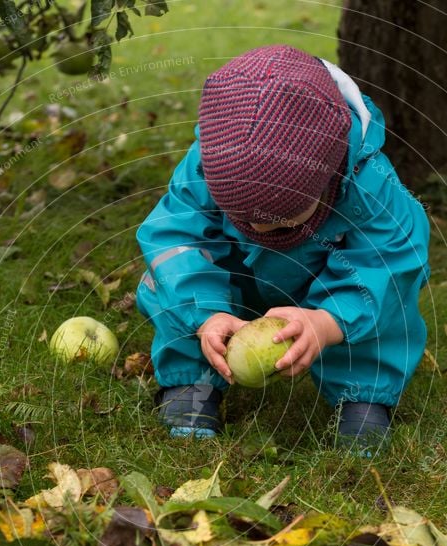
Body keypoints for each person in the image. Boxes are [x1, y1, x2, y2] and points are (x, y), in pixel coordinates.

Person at [135, 45, 430, 448]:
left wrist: (326, 323)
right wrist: (206, 315)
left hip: (324, 278)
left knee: (382, 300)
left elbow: (392, 263)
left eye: (279, 219)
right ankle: (192, 381)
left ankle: (362, 394)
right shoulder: (211, 161)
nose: (259, 227)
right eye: (244, 216)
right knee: (171, 276)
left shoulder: (370, 185)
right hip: (235, 269)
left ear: (328, 177)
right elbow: (176, 237)